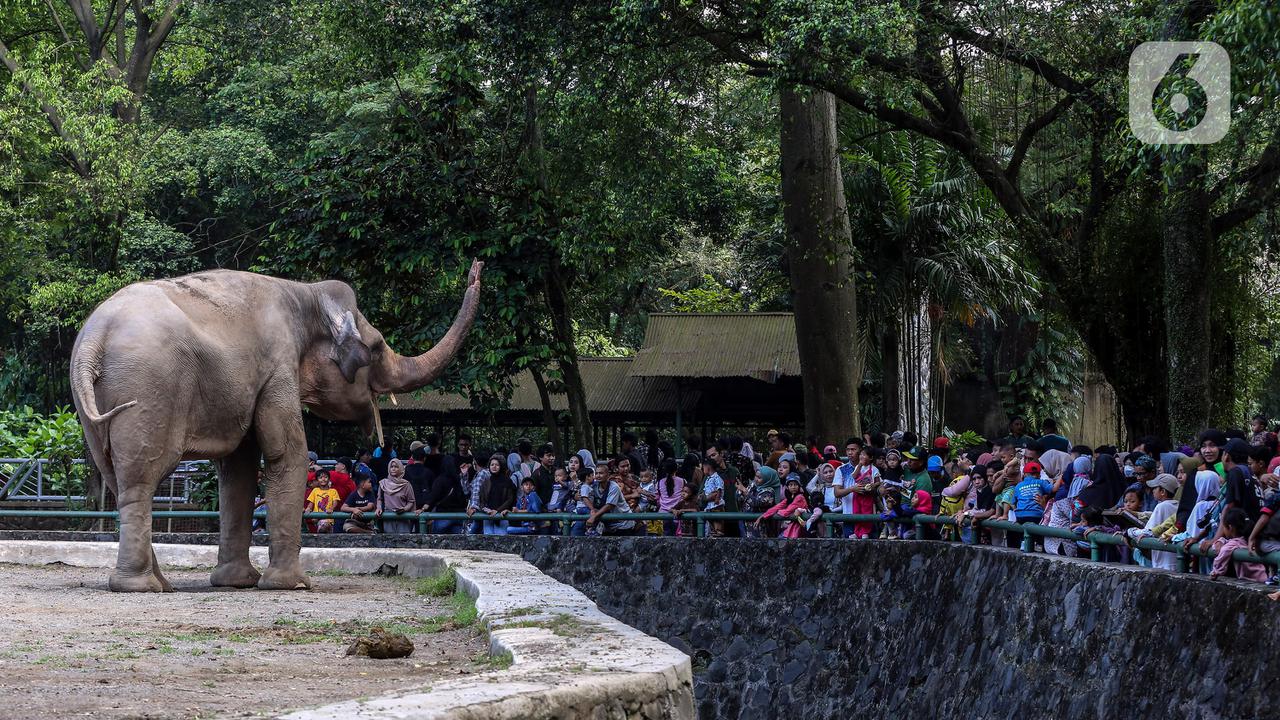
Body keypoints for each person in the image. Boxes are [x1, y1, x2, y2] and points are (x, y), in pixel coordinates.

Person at [1210, 508, 1268, 581]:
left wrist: (1216, 571)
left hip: (1254, 580)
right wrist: (1222, 540)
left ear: (1230, 527)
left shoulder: (1234, 543)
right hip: (1262, 576)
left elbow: (1224, 550)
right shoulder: (1247, 539)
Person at [470, 455, 515, 535]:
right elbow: (482, 499)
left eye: (497, 465)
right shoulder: (486, 481)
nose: (494, 467)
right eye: (492, 465)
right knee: (488, 539)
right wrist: (485, 509)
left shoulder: (507, 481)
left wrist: (497, 510)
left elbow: (510, 499)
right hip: (488, 516)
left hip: (502, 515)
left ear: (501, 466)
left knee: (501, 539)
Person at [585, 467, 637, 535]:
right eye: (596, 473)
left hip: (623, 524)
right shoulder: (594, 485)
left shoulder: (614, 487)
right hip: (608, 525)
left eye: (601, 473)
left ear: (607, 475)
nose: (598, 476)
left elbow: (609, 505)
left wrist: (594, 517)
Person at [375, 459, 417, 533]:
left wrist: (404, 509)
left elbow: (411, 501)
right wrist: (379, 508)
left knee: (404, 540)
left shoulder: (406, 484)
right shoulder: (383, 483)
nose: (393, 469)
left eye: (396, 467)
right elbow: (379, 499)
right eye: (391, 466)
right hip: (388, 516)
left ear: (400, 468)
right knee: (389, 540)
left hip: (403, 516)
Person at [656, 458, 686, 537]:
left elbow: (657, 498)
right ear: (676, 469)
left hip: (662, 515)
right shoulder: (683, 481)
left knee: (662, 539)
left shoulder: (659, 483)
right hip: (677, 514)